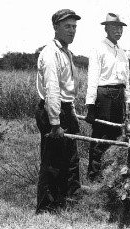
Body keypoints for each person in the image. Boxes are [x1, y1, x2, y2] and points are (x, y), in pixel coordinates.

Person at [35, 9, 82, 213]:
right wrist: (55, 123)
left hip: (65, 108)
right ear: (56, 27)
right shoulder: (51, 53)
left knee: (70, 159)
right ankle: (47, 207)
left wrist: (70, 112)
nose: (72, 31)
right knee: (53, 161)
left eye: (74, 27)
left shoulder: (66, 53)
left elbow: (67, 89)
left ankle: (69, 202)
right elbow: (52, 90)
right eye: (67, 26)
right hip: (52, 110)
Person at [85, 13, 130, 181]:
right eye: (114, 28)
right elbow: (93, 78)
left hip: (119, 95)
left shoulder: (122, 53)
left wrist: (127, 102)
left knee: (117, 134)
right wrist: (90, 104)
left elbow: (126, 81)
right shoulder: (99, 49)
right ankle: (94, 176)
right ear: (106, 29)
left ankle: (110, 175)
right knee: (101, 135)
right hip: (104, 95)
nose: (118, 31)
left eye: (120, 28)